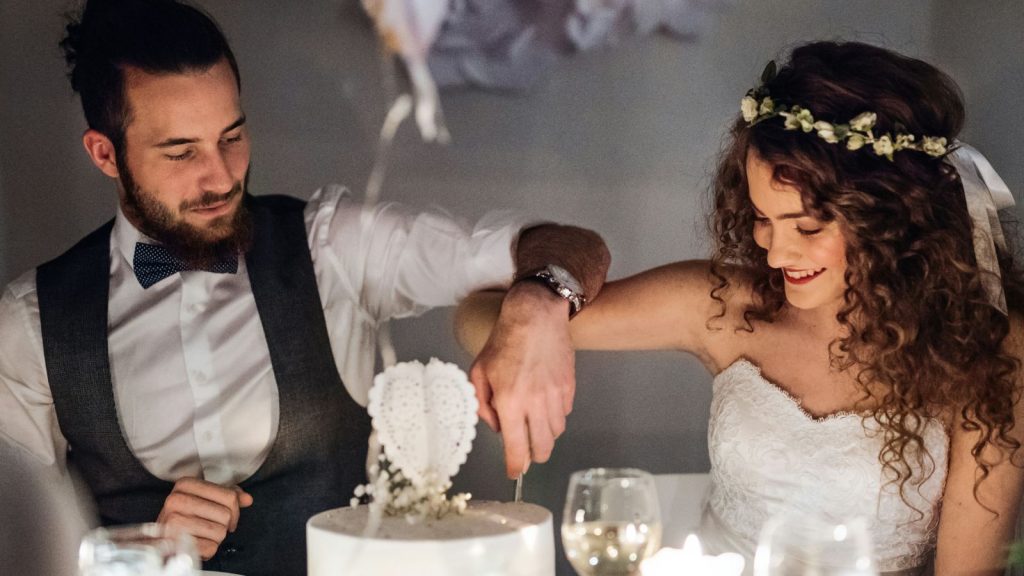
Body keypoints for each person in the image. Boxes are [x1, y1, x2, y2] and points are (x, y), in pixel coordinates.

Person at [0, 1, 610, 575]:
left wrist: (537, 303)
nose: (222, 176)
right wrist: (136, 560)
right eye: (182, 152)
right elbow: (21, 548)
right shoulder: (30, 325)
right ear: (106, 154)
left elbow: (563, 242)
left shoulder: (331, 247)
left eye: (232, 137)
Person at [460, 41, 1024, 574]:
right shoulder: (727, 306)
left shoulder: (988, 352)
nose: (776, 252)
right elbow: (473, 318)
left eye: (805, 226)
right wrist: (534, 312)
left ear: (895, 219)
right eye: (762, 218)